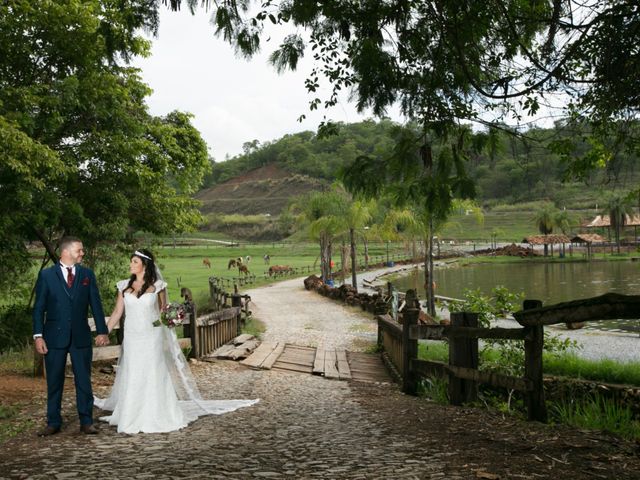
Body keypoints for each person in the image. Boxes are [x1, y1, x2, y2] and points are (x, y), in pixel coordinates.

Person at [94, 249, 258, 434]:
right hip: (132, 336)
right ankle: (130, 413)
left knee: (152, 370)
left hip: (151, 335)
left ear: (144, 265)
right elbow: (117, 312)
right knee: (133, 370)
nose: (130, 265)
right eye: (131, 261)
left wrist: (172, 318)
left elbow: (164, 311)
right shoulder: (124, 286)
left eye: (134, 262)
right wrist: (103, 332)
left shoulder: (158, 286)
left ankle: (155, 413)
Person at [32, 236, 110, 436]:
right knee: (55, 381)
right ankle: (53, 422)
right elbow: (39, 308)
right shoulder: (46, 276)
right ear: (65, 252)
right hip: (54, 337)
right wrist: (38, 336)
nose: (82, 253)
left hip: (81, 336)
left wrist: (102, 331)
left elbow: (96, 304)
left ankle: (86, 421)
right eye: (79, 250)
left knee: (84, 380)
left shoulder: (87, 274)